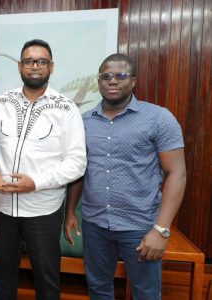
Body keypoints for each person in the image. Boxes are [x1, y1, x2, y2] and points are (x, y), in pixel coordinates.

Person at [64, 53, 186, 300]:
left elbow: (177, 174)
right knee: (98, 288)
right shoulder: (83, 121)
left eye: (120, 76)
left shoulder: (159, 118)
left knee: (146, 293)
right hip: (95, 223)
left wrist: (161, 230)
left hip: (140, 225)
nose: (112, 81)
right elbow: (80, 171)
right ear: (98, 81)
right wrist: (70, 212)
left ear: (133, 81)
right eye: (106, 76)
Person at [0, 39, 87, 300]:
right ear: (20, 66)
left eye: (42, 61)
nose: (35, 66)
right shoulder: (2, 102)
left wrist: (36, 182)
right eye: (29, 61)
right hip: (3, 206)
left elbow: (77, 163)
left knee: (46, 276)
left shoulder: (66, 108)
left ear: (51, 67)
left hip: (43, 209)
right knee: (4, 272)